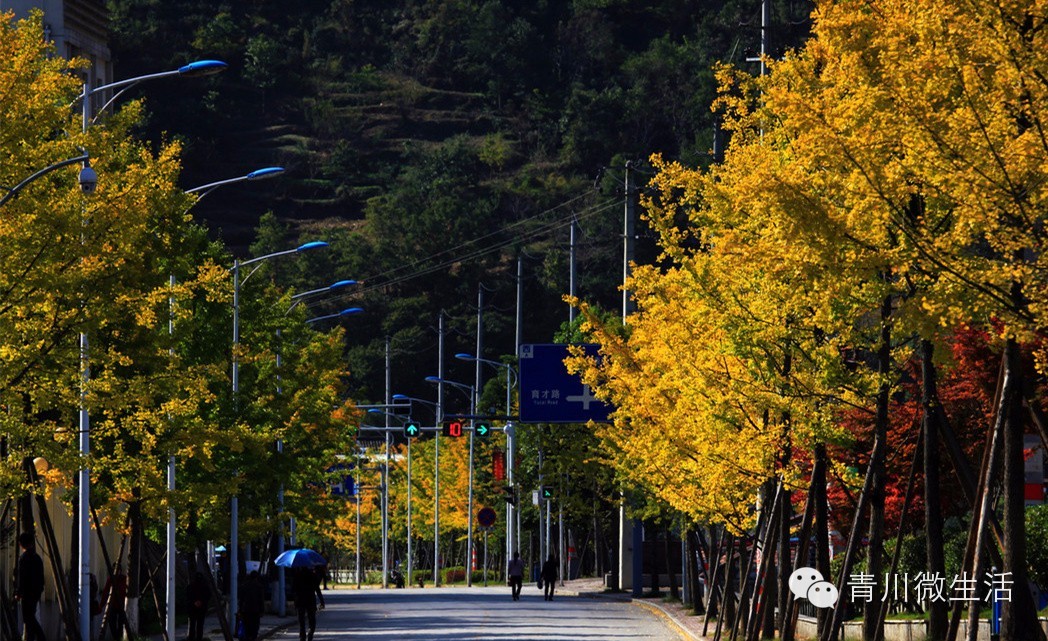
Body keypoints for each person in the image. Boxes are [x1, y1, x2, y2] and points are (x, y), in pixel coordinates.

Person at [15, 532, 45, 641]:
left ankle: (41, 637)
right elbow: (41, 577)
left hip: (27, 594)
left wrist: (18, 593)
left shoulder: (23, 559)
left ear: (21, 544)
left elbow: (22, 578)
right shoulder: (37, 558)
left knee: (28, 618)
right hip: (36, 593)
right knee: (30, 618)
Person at [292, 566, 325, 641]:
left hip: (300, 601)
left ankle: (302, 637)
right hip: (310, 601)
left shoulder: (297, 575)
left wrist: (295, 601)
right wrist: (322, 601)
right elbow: (317, 589)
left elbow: (293, 590)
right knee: (312, 620)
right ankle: (310, 632)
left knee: (301, 621)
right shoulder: (312, 575)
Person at [239, 571, 266, 641]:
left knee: (247, 627)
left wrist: (240, 610)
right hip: (255, 611)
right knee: (255, 628)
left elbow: (241, 600)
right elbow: (261, 600)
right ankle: (252, 638)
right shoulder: (259, 587)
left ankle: (248, 637)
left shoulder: (244, 586)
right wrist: (262, 611)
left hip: (246, 610)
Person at [186, 571, 211, 641]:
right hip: (198, 608)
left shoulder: (191, 586)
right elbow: (208, 595)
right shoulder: (204, 586)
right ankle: (197, 638)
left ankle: (193, 638)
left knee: (194, 625)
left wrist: (195, 602)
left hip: (194, 608)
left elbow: (188, 595)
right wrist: (200, 602)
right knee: (198, 625)